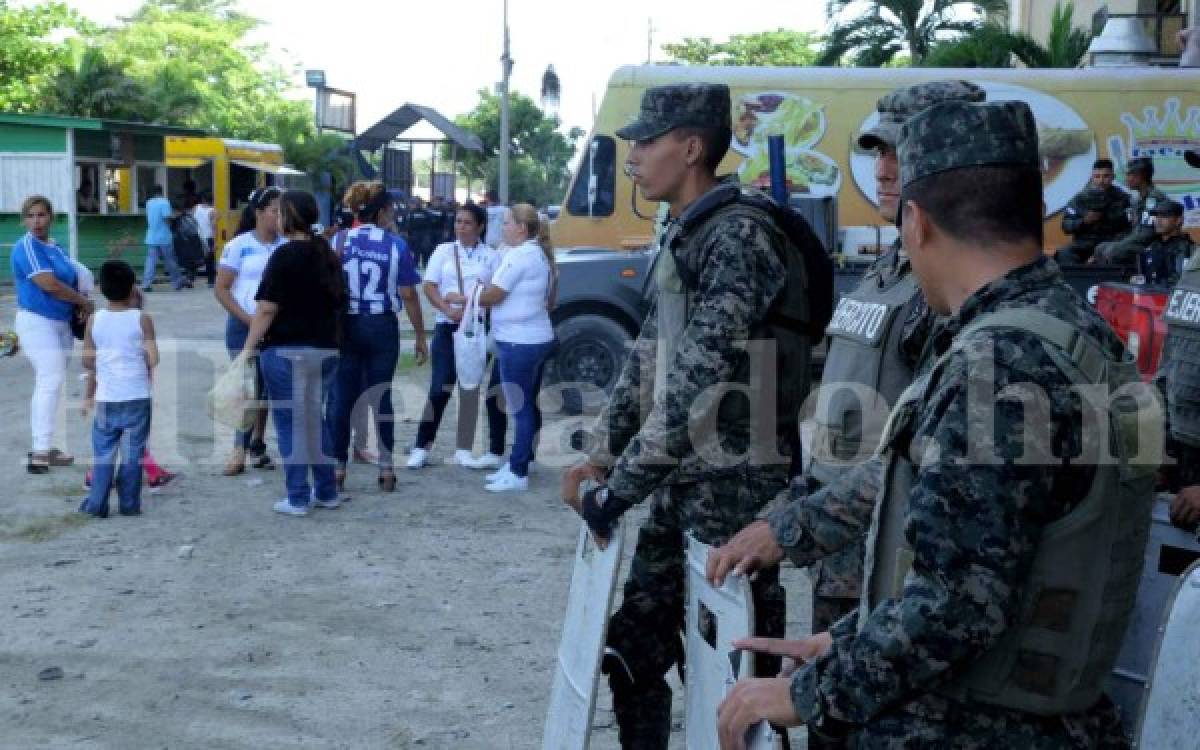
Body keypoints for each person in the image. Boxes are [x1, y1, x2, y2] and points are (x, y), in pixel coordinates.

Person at [710, 100, 1159, 747]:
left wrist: (807, 692)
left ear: (916, 222)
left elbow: (961, 603)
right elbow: (1011, 560)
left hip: (978, 727)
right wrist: (845, 638)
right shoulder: (1076, 335)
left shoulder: (998, 363)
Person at [560, 83, 813, 748]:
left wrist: (622, 487)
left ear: (692, 147)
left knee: (738, 671)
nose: (633, 155)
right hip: (681, 481)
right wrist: (601, 453)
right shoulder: (686, 231)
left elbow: (699, 372)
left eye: (646, 140)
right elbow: (651, 353)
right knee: (633, 649)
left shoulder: (740, 236)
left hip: (738, 486)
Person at [805, 81, 982, 669]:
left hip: (890, 555)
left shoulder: (947, 291)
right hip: (839, 540)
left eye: (898, 153)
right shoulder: (889, 268)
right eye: (877, 152)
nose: (881, 170)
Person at [239, 190, 345, 516]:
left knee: (289, 425)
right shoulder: (326, 253)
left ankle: (297, 496)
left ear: (288, 217)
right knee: (316, 421)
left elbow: (267, 308)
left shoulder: (284, 256)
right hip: (325, 349)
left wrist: (247, 348)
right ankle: (326, 490)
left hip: (286, 350)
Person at [328, 181, 428, 491]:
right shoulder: (396, 245)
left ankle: (338, 467)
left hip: (347, 324)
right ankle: (386, 467)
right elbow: (409, 293)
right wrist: (421, 335)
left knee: (342, 398)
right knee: (380, 396)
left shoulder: (340, 240)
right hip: (382, 324)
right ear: (384, 210)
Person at [409, 201, 503, 469]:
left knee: (470, 386)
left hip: (477, 325)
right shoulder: (443, 251)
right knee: (440, 387)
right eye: (458, 222)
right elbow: (429, 285)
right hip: (448, 324)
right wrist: (446, 309)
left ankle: (464, 447)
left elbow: (496, 292)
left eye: (467, 223)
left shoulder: (491, 256)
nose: (461, 227)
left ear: (480, 226)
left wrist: (471, 304)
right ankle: (421, 446)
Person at [475, 204, 557, 493]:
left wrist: (468, 297)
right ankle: (519, 462)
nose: (503, 228)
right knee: (526, 406)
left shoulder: (522, 256)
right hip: (531, 339)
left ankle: (518, 470)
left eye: (507, 223)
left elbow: (495, 294)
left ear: (521, 228)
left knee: (520, 409)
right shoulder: (536, 254)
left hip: (518, 341)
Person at [11, 195, 93, 473]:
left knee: (53, 383)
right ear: (24, 219)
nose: (36, 221)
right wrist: (82, 302)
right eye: (31, 216)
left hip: (60, 322)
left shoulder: (55, 248)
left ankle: (47, 446)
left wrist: (82, 301)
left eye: (41, 215)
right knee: (50, 379)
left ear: (51, 218)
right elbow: (50, 285)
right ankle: (40, 452)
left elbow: (73, 279)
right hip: (36, 321)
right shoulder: (27, 247)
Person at [78, 261, 158, 518]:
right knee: (133, 453)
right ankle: (129, 505)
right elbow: (153, 358)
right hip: (137, 395)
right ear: (133, 288)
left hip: (107, 397)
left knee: (103, 452)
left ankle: (96, 505)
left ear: (102, 289)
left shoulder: (94, 320)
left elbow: (87, 361)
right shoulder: (142, 319)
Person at [213, 187, 284, 476]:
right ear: (259, 213)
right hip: (243, 324)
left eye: (282, 211)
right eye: (274, 211)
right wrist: (246, 318)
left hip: (277, 326)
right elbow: (221, 288)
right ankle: (238, 448)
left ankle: (258, 443)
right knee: (246, 387)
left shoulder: (285, 246)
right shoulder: (239, 246)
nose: (279, 217)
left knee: (266, 389)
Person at [1093, 156, 1170, 265]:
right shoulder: (1138, 199)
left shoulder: (1154, 199)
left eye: (1130, 174)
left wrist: (1120, 245)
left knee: (1113, 251)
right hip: (1136, 242)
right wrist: (1119, 242)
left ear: (1141, 176)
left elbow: (1146, 234)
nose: (1127, 178)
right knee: (1101, 247)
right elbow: (1134, 230)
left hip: (1153, 245)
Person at [1056, 158, 1131, 264]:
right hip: (1083, 244)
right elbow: (1066, 225)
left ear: (1113, 177)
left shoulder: (1124, 199)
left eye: (1106, 176)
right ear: (1092, 178)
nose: (1101, 181)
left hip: (1111, 244)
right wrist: (1084, 221)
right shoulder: (1080, 199)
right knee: (1064, 253)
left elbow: (1130, 228)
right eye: (1097, 176)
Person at [1137, 199, 1195, 286]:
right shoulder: (1151, 246)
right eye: (1156, 216)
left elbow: (1182, 282)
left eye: (1164, 216)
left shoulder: (1188, 248)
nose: (1158, 220)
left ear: (1179, 220)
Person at [141, 185, 185, 292]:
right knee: (170, 260)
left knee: (150, 261)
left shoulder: (149, 203)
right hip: (164, 236)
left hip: (151, 237)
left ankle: (146, 284)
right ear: (162, 191)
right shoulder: (164, 202)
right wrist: (176, 216)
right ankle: (177, 282)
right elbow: (166, 218)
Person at [193, 190, 217, 288]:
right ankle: (211, 280)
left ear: (202, 199)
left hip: (197, 236)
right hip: (208, 237)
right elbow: (214, 226)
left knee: (195, 257)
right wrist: (216, 241)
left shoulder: (196, 208)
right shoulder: (213, 211)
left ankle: (191, 277)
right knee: (210, 259)